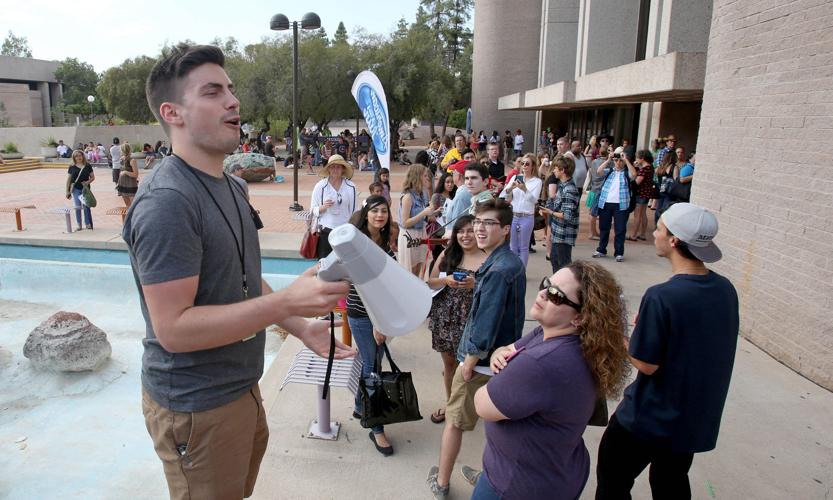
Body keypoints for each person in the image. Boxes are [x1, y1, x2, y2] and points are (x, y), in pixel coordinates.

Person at [125, 44, 354, 500]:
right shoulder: (167, 202)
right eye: (213, 92)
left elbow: (244, 278)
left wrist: (299, 326)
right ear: (172, 113)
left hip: (240, 388)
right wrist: (286, 301)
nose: (234, 101)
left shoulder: (232, 186)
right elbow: (174, 330)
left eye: (230, 89)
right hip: (196, 405)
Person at [596, 203, 738, 500]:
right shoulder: (725, 289)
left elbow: (646, 363)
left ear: (674, 240)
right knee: (671, 481)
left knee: (613, 480)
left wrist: (620, 337)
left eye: (658, 229)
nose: (654, 233)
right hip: (691, 419)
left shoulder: (663, 296)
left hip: (648, 418)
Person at [466, 261, 630, 500]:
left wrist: (506, 371)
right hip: (556, 469)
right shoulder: (561, 336)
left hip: (516, 485)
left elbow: (482, 404)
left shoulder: (540, 363)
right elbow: (508, 349)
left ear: (579, 318)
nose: (543, 293)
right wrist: (497, 354)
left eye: (556, 295)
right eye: (546, 284)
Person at [427, 199, 525, 500]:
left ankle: (441, 482)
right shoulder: (507, 262)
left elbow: (486, 321)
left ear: (505, 229)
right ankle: (490, 476)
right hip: (501, 359)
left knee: (455, 422)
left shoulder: (497, 270)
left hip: (481, 361)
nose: (480, 229)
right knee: (497, 427)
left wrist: (469, 362)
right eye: (478, 222)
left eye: (488, 223)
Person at [346, 195, 399, 456]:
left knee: (372, 361)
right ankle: (375, 426)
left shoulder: (384, 242)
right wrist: (379, 323)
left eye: (384, 211)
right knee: (373, 367)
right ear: (365, 213)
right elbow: (364, 288)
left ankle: (360, 406)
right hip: (362, 313)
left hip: (379, 314)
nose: (380, 215)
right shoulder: (357, 243)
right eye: (375, 211)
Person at [426, 215, 486, 425]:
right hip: (446, 318)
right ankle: (450, 403)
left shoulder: (488, 258)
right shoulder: (448, 253)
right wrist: (446, 279)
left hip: (472, 319)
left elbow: (495, 290)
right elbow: (430, 282)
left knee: (470, 366)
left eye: (470, 231)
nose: (465, 235)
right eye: (461, 231)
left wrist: (475, 284)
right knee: (450, 364)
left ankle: (471, 404)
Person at [593, 148, 637, 262]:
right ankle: (601, 249)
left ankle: (619, 252)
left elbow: (634, 174)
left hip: (621, 205)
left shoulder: (626, 173)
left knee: (620, 229)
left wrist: (626, 160)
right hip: (606, 203)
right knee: (604, 227)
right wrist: (608, 160)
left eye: (620, 160)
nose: (618, 162)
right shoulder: (610, 171)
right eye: (616, 160)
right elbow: (599, 171)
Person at [310, 154, 358, 258]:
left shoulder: (351, 187)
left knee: (345, 262)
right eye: (332, 167)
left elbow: (354, 211)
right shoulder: (320, 186)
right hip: (325, 231)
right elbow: (312, 210)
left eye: (338, 167)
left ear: (343, 169)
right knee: (324, 263)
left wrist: (354, 230)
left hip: (344, 232)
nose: (335, 170)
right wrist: (322, 207)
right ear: (328, 169)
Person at [500, 153, 543, 267]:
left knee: (523, 247)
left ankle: (521, 271)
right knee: (512, 246)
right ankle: (513, 270)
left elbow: (534, 200)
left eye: (527, 164)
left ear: (533, 166)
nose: (524, 166)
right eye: (522, 163)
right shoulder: (515, 177)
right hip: (514, 215)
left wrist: (525, 189)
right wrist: (510, 188)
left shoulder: (537, 181)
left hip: (527, 216)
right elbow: (504, 195)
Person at [541, 155, 579, 272]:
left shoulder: (569, 189)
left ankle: (566, 283)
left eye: (556, 168)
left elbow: (567, 216)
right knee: (554, 260)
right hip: (557, 233)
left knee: (564, 266)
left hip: (564, 235)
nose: (554, 170)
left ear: (562, 170)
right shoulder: (562, 185)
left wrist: (550, 212)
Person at [399, 163, 434, 276]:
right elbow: (405, 223)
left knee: (420, 266)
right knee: (411, 270)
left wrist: (432, 212)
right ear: (417, 177)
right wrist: (424, 213)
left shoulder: (421, 194)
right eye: (424, 175)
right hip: (410, 235)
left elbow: (424, 215)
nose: (427, 178)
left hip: (420, 233)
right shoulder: (408, 197)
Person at [627, 150, 656, 242]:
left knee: (637, 215)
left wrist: (629, 183)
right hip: (646, 193)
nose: (636, 159)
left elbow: (637, 183)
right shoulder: (650, 167)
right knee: (643, 214)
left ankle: (633, 235)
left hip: (641, 194)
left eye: (637, 158)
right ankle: (642, 234)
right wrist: (637, 167)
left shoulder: (644, 169)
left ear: (642, 158)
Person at [65, 149, 95, 231]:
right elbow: (68, 179)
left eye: (80, 155)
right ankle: (79, 224)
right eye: (76, 156)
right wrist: (67, 191)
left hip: (86, 189)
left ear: (83, 156)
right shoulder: (72, 167)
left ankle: (88, 224)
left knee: (86, 206)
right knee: (77, 206)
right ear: (74, 158)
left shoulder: (87, 166)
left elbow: (92, 177)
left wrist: (87, 182)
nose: (78, 157)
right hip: (76, 189)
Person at [585, 146, 608, 240]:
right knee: (593, 213)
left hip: (593, 188)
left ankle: (594, 232)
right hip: (599, 189)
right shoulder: (607, 163)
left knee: (591, 211)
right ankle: (592, 233)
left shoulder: (594, 161)